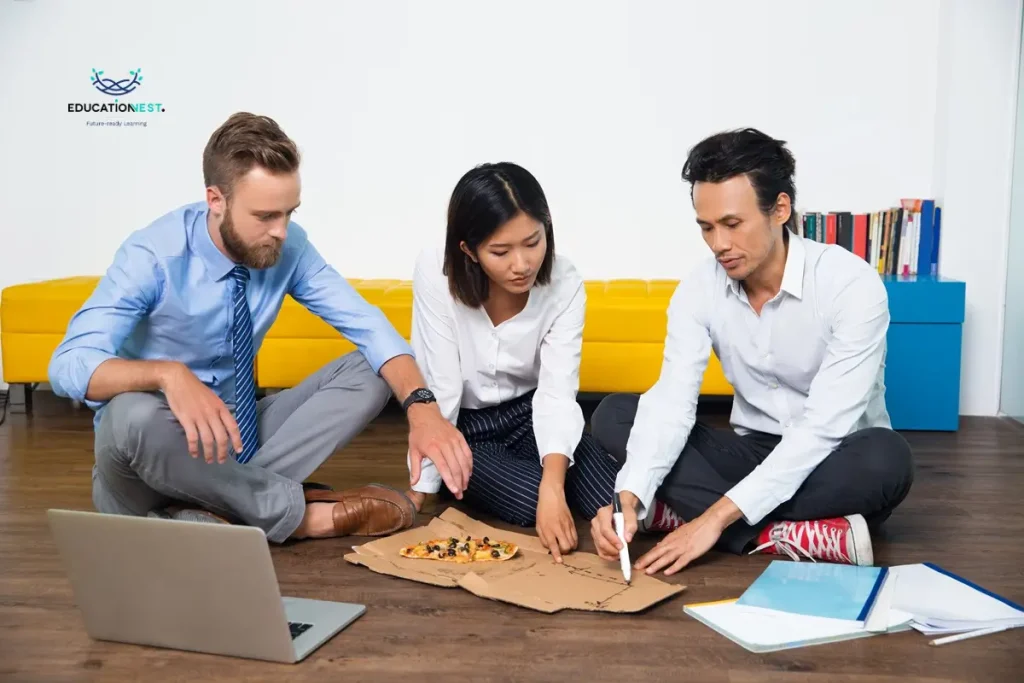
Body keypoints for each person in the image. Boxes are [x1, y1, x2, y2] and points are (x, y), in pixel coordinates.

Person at [48, 111, 472, 544]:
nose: (281, 231)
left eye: (289, 213)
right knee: (130, 415)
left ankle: (209, 514)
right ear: (216, 200)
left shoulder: (289, 246)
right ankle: (302, 517)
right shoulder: (152, 255)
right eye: (265, 215)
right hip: (152, 454)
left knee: (370, 369)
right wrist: (166, 375)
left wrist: (424, 412)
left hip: (235, 437)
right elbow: (68, 365)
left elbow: (369, 327)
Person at [589, 127, 914, 573]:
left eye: (732, 224)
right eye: (706, 227)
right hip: (749, 453)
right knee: (616, 414)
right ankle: (786, 536)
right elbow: (671, 403)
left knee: (887, 460)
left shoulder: (850, 285)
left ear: (780, 209)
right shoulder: (698, 289)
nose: (718, 244)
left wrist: (711, 519)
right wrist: (630, 496)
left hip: (834, 456)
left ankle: (706, 520)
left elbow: (822, 429)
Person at [404, 162, 620, 562]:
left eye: (533, 242)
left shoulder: (565, 283)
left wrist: (554, 487)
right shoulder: (436, 271)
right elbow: (442, 386)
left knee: (611, 496)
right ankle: (534, 483)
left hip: (530, 412)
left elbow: (556, 394)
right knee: (526, 501)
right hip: (468, 426)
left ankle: (562, 484)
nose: (522, 264)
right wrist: (423, 489)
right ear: (468, 249)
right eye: (500, 252)